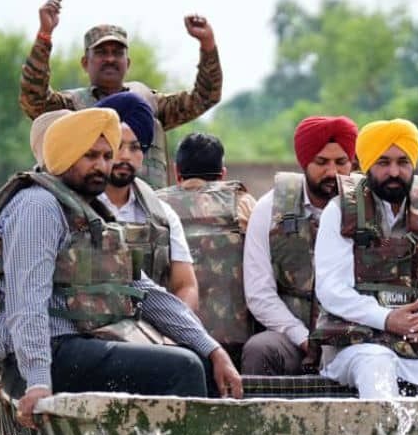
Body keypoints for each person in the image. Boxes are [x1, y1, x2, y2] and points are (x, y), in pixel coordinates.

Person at [0, 109, 241, 428]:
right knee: (182, 368)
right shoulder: (39, 206)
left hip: (81, 344)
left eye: (106, 155)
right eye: (90, 155)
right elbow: (26, 301)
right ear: (65, 156)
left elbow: (142, 290)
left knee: (200, 360)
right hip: (40, 356)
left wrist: (212, 348)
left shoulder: (88, 211)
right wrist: (37, 381)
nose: (102, 165)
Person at [310, 119, 418, 399]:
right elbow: (331, 289)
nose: (394, 172)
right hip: (358, 342)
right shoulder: (340, 209)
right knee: (376, 364)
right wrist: (387, 319)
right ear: (366, 165)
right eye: (383, 162)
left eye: (403, 162)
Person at [18, 0, 222, 189]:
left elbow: (205, 97)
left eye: (117, 53)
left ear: (128, 63)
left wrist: (207, 44)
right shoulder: (72, 107)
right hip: (93, 216)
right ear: (85, 63)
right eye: (101, 53)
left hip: (148, 215)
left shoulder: (148, 103)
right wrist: (44, 36)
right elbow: (33, 98)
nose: (110, 59)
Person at [242, 115, 358, 375]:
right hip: (293, 338)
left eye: (341, 162)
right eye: (321, 162)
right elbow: (259, 293)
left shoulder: (368, 210)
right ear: (304, 162)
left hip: (357, 338)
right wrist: (303, 338)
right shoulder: (270, 210)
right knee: (260, 350)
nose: (332, 172)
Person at [156, 132, 257, 363]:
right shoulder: (243, 204)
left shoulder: (153, 205)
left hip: (168, 342)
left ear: (176, 172)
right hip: (236, 341)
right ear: (223, 174)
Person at [93, 92, 199, 311]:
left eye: (135, 148)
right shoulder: (74, 205)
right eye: (117, 146)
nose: (125, 156)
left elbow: (186, 286)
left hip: (151, 333)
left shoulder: (162, 215)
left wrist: (178, 332)